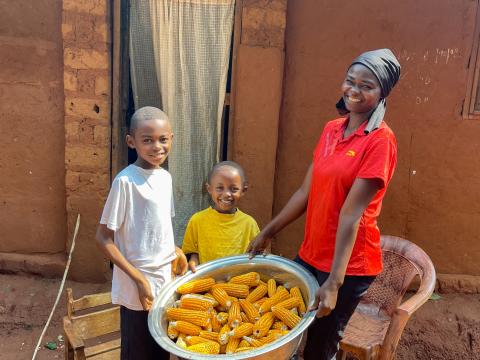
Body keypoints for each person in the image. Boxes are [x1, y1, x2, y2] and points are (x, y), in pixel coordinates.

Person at [248, 49, 401, 360]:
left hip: (348, 265)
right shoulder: (332, 129)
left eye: (366, 85)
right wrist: (268, 231)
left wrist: (334, 282)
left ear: (382, 92)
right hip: (311, 253)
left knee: (320, 347)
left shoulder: (380, 141)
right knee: (283, 333)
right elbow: (306, 191)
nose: (354, 91)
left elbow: (351, 214)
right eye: (350, 81)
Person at [96, 106, 188, 360]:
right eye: (147, 140)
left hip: (162, 280)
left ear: (172, 139)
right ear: (131, 141)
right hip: (135, 284)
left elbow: (156, 227)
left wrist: (176, 250)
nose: (157, 146)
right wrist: (138, 279)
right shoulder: (125, 182)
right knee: (136, 351)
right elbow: (103, 237)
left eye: (163, 139)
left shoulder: (165, 178)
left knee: (161, 349)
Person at [182, 161, 260, 272]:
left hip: (239, 282)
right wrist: (193, 262)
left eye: (234, 189)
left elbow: (256, 255)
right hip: (207, 281)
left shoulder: (249, 223)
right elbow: (193, 252)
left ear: (243, 190)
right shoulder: (197, 220)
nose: (227, 194)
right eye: (219, 188)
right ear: (209, 189)